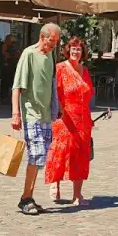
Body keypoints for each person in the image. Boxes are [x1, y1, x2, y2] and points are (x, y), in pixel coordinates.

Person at [11, 23, 61, 215]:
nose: (53, 45)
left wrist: (57, 107)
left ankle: (28, 197)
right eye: (51, 41)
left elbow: (51, 83)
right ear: (42, 37)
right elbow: (17, 86)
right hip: (31, 114)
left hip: (46, 114)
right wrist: (16, 113)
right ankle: (25, 199)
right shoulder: (29, 54)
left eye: (55, 42)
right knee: (36, 154)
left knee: (40, 158)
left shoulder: (50, 55)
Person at [47, 36, 95, 206]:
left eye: (79, 49)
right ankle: (55, 184)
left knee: (81, 156)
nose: (76, 52)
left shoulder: (85, 70)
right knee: (60, 152)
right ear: (68, 51)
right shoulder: (60, 68)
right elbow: (54, 92)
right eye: (73, 49)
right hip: (64, 117)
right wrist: (59, 110)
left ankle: (77, 195)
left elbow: (89, 93)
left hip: (83, 118)